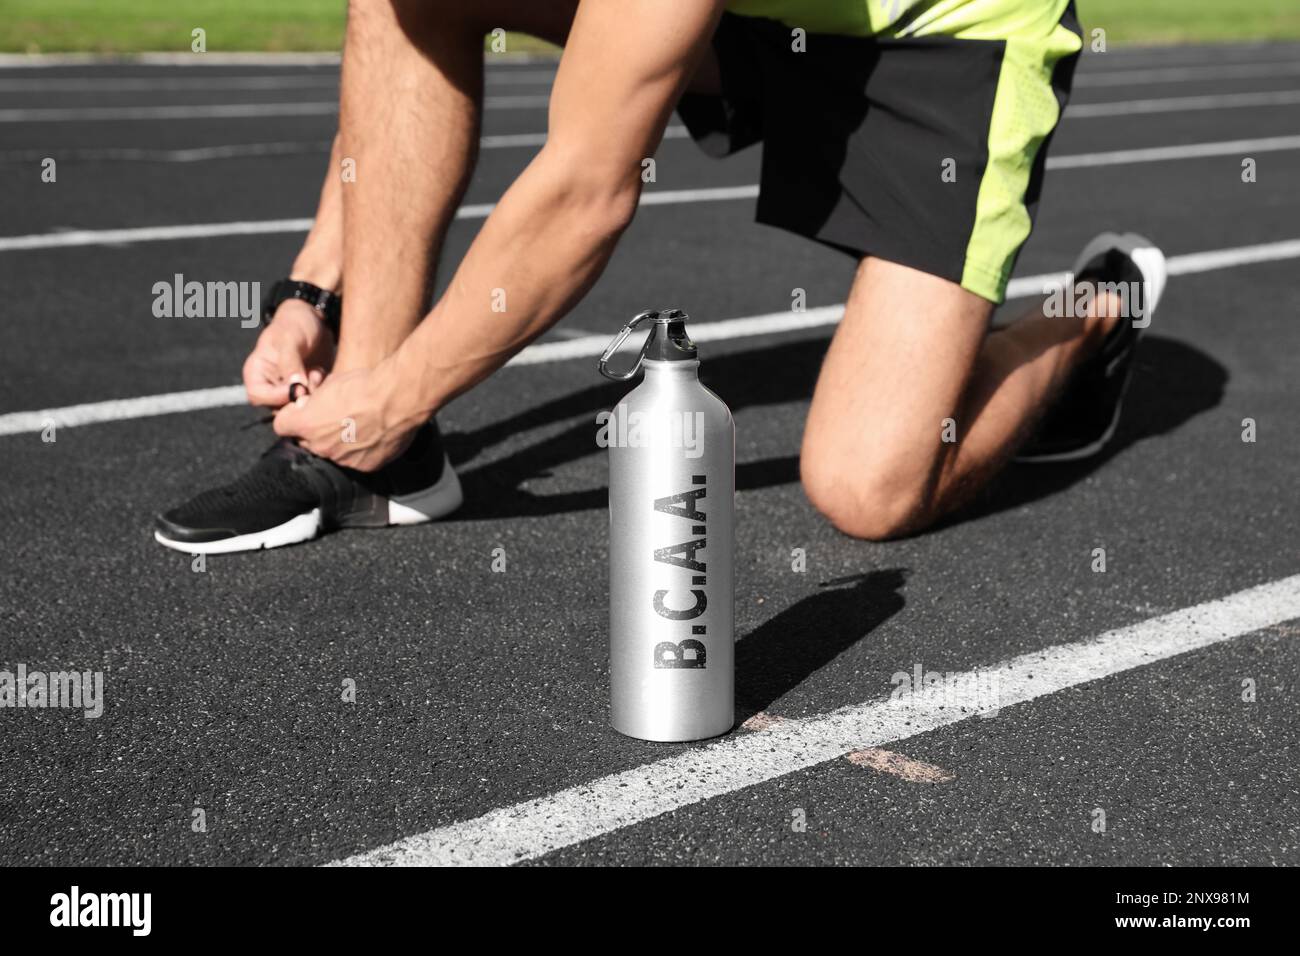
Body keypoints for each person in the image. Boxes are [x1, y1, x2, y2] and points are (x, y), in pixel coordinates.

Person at [154, 0, 1166, 554]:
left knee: (870, 488)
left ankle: (1093, 318)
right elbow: (393, 61)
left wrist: (398, 391)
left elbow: (586, 189)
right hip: (762, 16)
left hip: (946, 39)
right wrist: (312, 293)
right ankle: (383, 459)